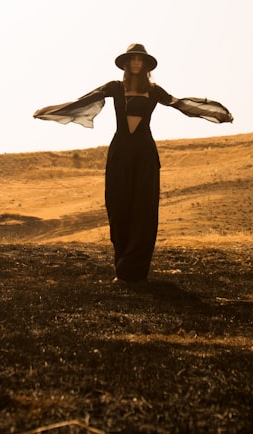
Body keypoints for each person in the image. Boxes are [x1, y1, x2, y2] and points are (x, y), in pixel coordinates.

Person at [34, 44, 233, 283]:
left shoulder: (155, 91)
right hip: (120, 153)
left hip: (145, 155)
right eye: (133, 59)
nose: (137, 63)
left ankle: (136, 271)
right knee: (118, 206)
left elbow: (181, 105)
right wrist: (50, 110)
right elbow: (84, 101)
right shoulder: (115, 88)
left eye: (140, 59)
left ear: (146, 65)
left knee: (144, 209)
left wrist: (215, 114)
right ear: (126, 64)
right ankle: (122, 266)